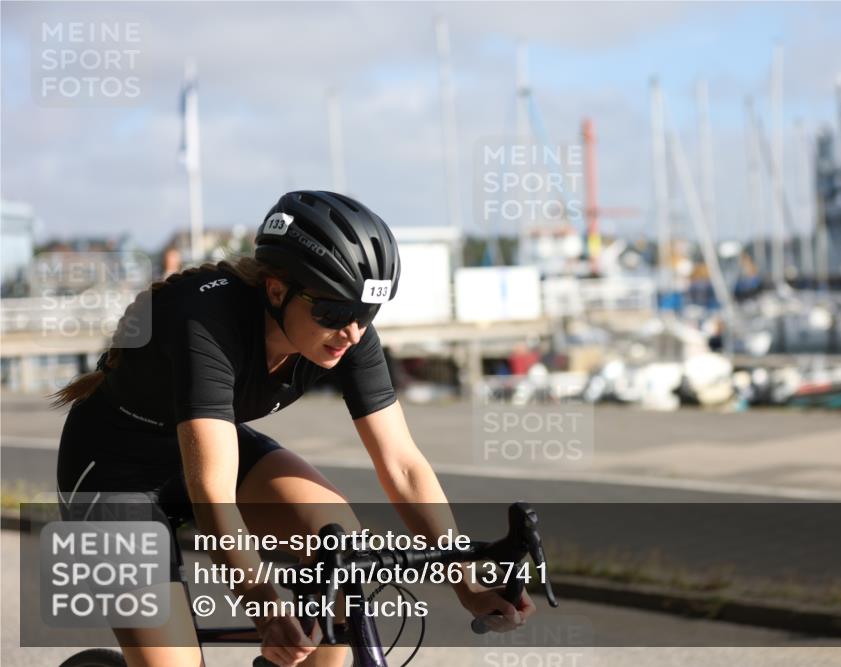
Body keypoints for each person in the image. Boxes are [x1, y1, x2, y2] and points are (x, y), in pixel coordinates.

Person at [52, 190, 535, 667]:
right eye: (334, 314)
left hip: (208, 449)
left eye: (367, 315)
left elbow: (403, 466)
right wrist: (264, 604)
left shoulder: (350, 330)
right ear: (277, 290)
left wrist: (467, 582)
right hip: (112, 472)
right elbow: (211, 492)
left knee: (338, 542)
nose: (352, 333)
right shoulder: (205, 322)